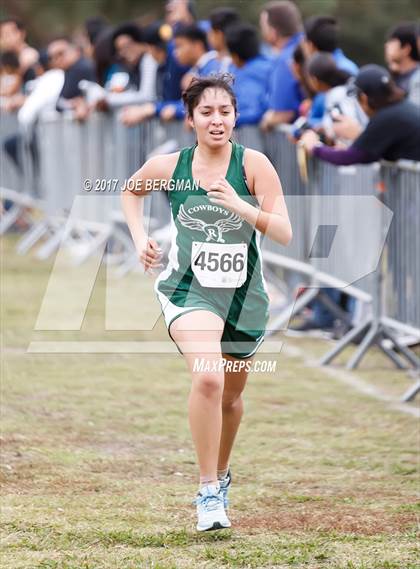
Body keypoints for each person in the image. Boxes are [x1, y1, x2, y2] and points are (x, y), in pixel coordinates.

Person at [120, 75, 292, 531]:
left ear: (235, 117)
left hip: (243, 297)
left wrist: (241, 205)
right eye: (207, 112)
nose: (217, 120)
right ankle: (207, 491)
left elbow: (283, 231)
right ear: (191, 118)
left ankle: (221, 473)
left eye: (225, 112)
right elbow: (129, 191)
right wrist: (140, 239)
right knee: (210, 379)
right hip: (187, 290)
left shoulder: (254, 164)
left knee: (232, 399)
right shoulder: (169, 166)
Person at [300, 64, 420, 164]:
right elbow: (374, 154)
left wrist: (314, 148)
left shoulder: (386, 117)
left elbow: (351, 157)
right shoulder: (401, 108)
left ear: (364, 98)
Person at [259, 0, 304, 129]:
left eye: (263, 27)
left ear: (273, 31)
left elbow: (284, 113)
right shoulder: (307, 46)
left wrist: (267, 121)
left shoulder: (286, 59)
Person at [225, 23, 273, 126]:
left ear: (235, 55)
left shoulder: (249, 72)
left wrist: (225, 120)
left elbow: (253, 111)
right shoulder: (269, 63)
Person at [385, 22, 420, 105]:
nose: (386, 45)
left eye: (392, 41)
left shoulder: (416, 78)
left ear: (406, 49)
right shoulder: (393, 76)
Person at [208, 7, 241, 73]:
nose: (208, 35)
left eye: (210, 31)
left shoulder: (209, 62)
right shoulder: (242, 61)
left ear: (219, 34)